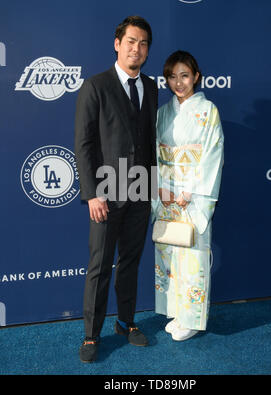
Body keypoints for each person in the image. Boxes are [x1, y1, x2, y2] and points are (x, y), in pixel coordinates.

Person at [75, 16, 158, 363]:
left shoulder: (151, 86)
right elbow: (84, 145)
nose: (136, 48)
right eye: (130, 41)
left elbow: (150, 139)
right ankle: (92, 336)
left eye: (142, 43)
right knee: (100, 264)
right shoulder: (95, 86)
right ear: (117, 43)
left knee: (130, 262)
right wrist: (92, 193)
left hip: (141, 191)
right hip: (106, 192)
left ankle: (125, 323)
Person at [152, 50, 224, 341]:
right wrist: (159, 187)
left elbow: (213, 155)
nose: (178, 82)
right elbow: (156, 152)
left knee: (192, 255)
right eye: (172, 76)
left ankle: (192, 318)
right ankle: (176, 312)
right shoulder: (164, 112)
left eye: (184, 75)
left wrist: (190, 191)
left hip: (192, 194)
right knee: (170, 253)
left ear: (196, 76)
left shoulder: (208, 111)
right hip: (167, 192)